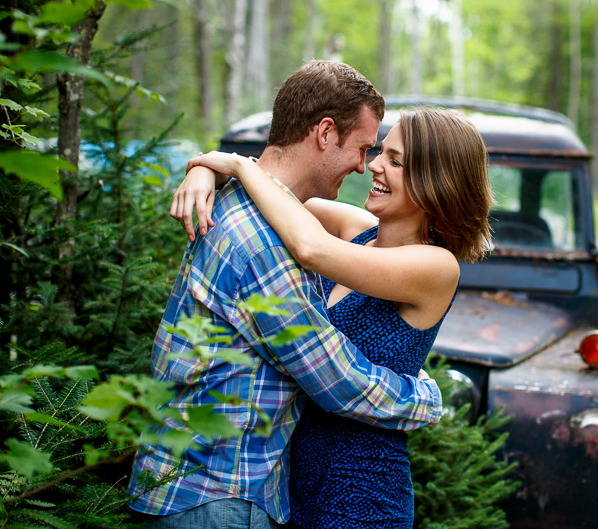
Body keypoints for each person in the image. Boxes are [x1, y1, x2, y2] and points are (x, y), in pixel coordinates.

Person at [126, 61, 444, 529]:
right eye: (362, 148)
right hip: (218, 497)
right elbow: (335, 378)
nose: (365, 165)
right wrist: (425, 400)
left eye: (386, 157)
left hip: (204, 490)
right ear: (324, 132)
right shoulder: (265, 245)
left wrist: (215, 165)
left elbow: (284, 200)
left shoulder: (247, 206)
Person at [179, 107, 493, 528]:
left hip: (362, 493)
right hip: (290, 483)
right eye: (380, 151)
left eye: (395, 161)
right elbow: (274, 190)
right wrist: (204, 170)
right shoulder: (357, 228)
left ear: (436, 181)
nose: (374, 165)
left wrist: (235, 163)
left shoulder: (435, 267)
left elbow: (310, 248)